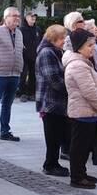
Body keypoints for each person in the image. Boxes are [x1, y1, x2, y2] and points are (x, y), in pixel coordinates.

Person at [63, 28, 97, 189]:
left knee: (85, 146)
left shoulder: (82, 62)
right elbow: (89, 92)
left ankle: (81, 173)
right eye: (89, 45)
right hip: (83, 112)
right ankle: (76, 177)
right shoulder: (78, 65)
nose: (93, 48)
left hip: (89, 112)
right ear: (79, 47)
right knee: (80, 147)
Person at [0, 7, 25, 143]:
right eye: (14, 16)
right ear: (5, 17)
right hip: (0, 74)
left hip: (15, 74)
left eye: (18, 16)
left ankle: (5, 132)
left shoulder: (19, 33)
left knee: (8, 104)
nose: (17, 18)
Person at [36, 24, 69, 177]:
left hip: (57, 102)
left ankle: (53, 163)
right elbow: (54, 80)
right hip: (50, 102)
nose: (64, 41)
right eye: (62, 38)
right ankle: (50, 165)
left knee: (56, 135)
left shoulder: (55, 51)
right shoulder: (47, 53)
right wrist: (72, 87)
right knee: (53, 136)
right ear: (54, 39)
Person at [17, 10, 41, 101]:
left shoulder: (37, 29)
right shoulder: (21, 30)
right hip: (24, 56)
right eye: (31, 17)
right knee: (23, 75)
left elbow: (40, 41)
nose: (33, 19)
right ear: (26, 18)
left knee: (33, 76)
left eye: (34, 18)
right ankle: (22, 93)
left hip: (35, 56)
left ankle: (31, 93)